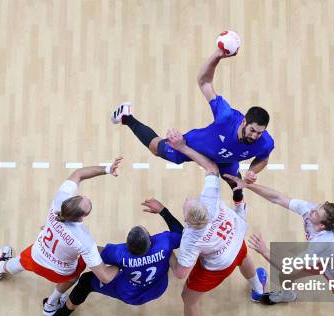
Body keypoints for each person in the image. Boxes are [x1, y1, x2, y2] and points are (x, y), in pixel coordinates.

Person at [110, 47, 274, 203]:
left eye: (259, 133)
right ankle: (127, 117)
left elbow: (263, 159)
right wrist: (217, 55)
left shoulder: (266, 142)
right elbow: (204, 82)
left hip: (227, 160)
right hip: (196, 146)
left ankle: (239, 201)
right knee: (156, 149)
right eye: (252, 130)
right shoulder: (226, 116)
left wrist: (252, 171)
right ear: (244, 122)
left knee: (235, 182)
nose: (255, 136)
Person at [161, 129, 267, 316]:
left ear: (188, 221)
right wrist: (183, 147)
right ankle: (258, 289)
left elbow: (180, 273)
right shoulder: (209, 202)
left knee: (188, 298)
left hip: (220, 262)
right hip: (236, 237)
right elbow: (211, 168)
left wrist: (168, 253)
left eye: (187, 204)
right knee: (244, 256)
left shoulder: (190, 238)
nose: (190, 199)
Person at [224, 175, 334, 301]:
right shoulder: (313, 213)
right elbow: (277, 198)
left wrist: (264, 250)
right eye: (318, 206)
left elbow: (286, 266)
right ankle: (287, 295)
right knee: (286, 279)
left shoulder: (323, 243)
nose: (312, 209)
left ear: (322, 225)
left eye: (316, 211)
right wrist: (247, 185)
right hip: (325, 261)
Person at [0, 158, 124, 316]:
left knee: (18, 262)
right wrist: (121, 262)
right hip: (61, 273)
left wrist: (107, 168)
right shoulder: (85, 240)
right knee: (75, 274)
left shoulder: (58, 202)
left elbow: (79, 174)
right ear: (82, 217)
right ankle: (50, 304)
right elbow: (106, 277)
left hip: (37, 257)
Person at [51, 198, 184, 316]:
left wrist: (72, 243)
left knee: (86, 281)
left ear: (127, 245)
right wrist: (162, 210)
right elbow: (181, 233)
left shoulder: (120, 253)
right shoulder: (164, 242)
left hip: (129, 293)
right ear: (150, 240)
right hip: (157, 288)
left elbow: (94, 253)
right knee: (169, 253)